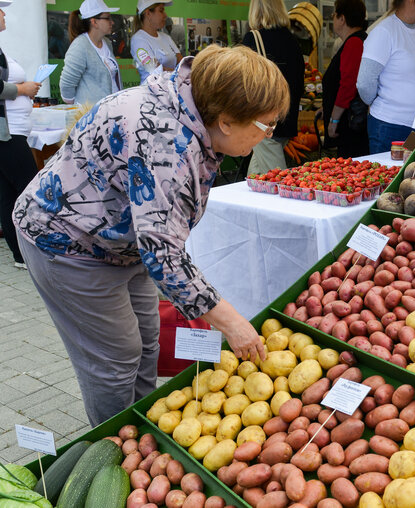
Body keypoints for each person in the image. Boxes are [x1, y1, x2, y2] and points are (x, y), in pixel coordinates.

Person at [13, 45, 287, 426]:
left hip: (122, 241)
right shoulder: (165, 143)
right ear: (225, 121)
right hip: (66, 240)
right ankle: (114, 448)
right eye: (266, 125)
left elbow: (159, 236)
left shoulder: (192, 107)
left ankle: (143, 430)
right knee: (116, 357)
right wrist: (232, 323)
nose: (270, 134)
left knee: (146, 343)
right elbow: (164, 255)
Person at [357, 0, 415, 154]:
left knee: (413, 175)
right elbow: (364, 82)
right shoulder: (384, 32)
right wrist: (380, 103)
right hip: (390, 127)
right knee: (390, 176)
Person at [0, 0, 41, 270]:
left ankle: (20, 254)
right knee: (30, 189)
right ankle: (32, 250)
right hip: (7, 133)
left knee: (7, 193)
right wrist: (23, 90)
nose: (3, 14)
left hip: (11, 132)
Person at [242, 0, 304, 174]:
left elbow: (241, 83)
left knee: (279, 181)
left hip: (263, 121)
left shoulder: (253, 38)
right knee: (257, 176)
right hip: (287, 118)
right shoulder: (292, 40)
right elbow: (299, 80)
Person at [321, 0, 368, 158]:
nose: (333, 19)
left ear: (342, 19)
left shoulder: (354, 43)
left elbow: (348, 86)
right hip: (353, 122)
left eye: (334, 15)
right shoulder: (356, 41)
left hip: (350, 125)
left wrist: (334, 121)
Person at [60, 0, 121, 106]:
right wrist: (80, 105)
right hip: (92, 116)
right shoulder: (80, 45)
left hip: (111, 111)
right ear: (94, 22)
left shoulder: (107, 43)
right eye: (107, 18)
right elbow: (66, 84)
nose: (112, 22)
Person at [130, 0, 182, 84]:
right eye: (161, 10)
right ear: (148, 14)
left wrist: (174, 72)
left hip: (171, 91)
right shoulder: (138, 39)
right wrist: (178, 73)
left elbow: (181, 62)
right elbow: (154, 70)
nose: (165, 15)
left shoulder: (166, 37)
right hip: (151, 94)